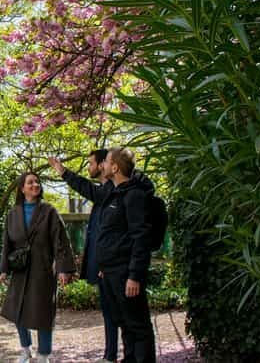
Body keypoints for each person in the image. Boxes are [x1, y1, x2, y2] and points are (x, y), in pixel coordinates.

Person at [48, 150, 118, 363]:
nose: (89, 167)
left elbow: (87, 189)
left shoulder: (110, 191)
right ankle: (111, 354)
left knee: (115, 311)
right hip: (104, 264)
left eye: (91, 163)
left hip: (111, 265)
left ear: (103, 166)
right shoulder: (106, 192)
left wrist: (63, 172)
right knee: (109, 310)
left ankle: (114, 355)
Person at [0, 171, 77, 363]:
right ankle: (25, 349)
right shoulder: (13, 214)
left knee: (43, 313)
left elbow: (61, 241)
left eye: (37, 182)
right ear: (22, 188)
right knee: (16, 311)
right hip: (20, 270)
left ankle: (44, 354)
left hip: (42, 270)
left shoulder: (49, 211)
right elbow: (7, 243)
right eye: (30, 182)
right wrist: (4, 269)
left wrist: (63, 269)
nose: (35, 185)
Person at [97, 148, 157, 363]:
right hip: (111, 272)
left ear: (115, 167)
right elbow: (112, 235)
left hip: (126, 273)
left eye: (106, 162)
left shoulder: (134, 196)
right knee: (123, 321)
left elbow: (140, 238)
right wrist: (104, 267)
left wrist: (134, 275)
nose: (102, 165)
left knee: (137, 324)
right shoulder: (114, 194)